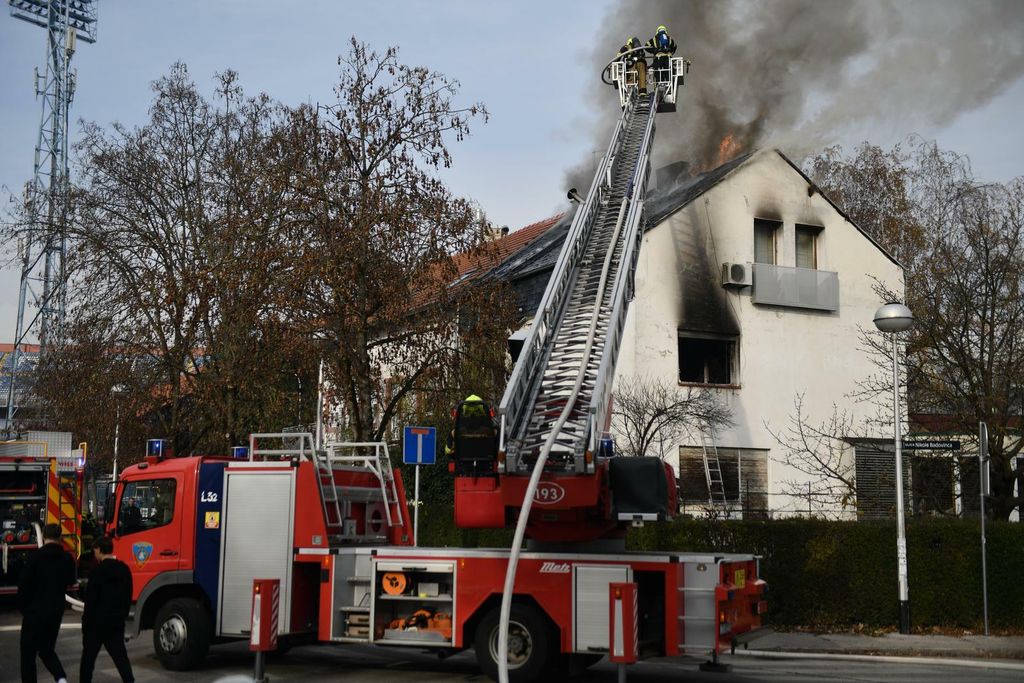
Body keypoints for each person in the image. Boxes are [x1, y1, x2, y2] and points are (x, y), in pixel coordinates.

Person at [18, 523, 75, 683]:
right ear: (60, 538)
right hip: (55, 611)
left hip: (34, 612)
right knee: (47, 649)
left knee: (28, 654)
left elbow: (23, 586)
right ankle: (61, 678)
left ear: (43, 536)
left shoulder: (35, 558)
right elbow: (71, 581)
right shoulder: (67, 558)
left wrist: (25, 609)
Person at [80, 536, 135, 683]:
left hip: (96, 623)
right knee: (121, 658)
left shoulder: (96, 571)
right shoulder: (124, 569)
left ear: (99, 550)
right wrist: (122, 615)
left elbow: (91, 600)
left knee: (88, 660)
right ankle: (129, 681)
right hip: (115, 621)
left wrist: (86, 623)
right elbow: (128, 595)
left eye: (95, 551)